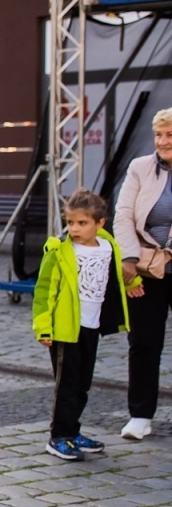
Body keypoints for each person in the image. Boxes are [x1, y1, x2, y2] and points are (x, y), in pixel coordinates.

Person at [33, 189, 139, 461]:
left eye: (82, 223)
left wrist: (134, 283)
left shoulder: (108, 245)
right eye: (70, 223)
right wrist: (44, 328)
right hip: (65, 329)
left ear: (99, 223)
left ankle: (73, 432)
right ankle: (58, 436)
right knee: (66, 384)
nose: (75, 229)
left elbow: (116, 273)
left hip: (91, 326)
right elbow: (44, 292)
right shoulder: (59, 250)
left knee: (82, 383)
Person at [115, 109, 172, 440]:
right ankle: (140, 415)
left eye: (169, 135)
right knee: (143, 342)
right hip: (145, 268)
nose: (163, 142)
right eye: (159, 135)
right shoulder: (139, 168)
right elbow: (122, 215)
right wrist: (128, 260)